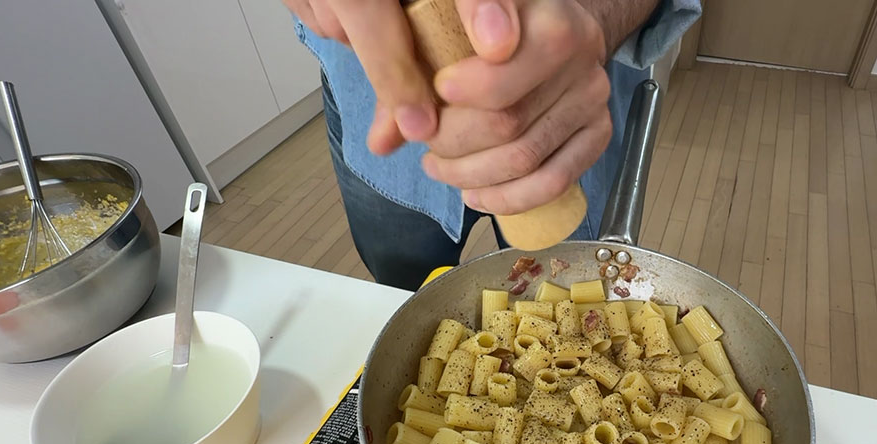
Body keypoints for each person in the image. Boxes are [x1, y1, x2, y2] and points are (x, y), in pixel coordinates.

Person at [283, 0, 700, 290]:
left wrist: (596, 17)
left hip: (563, 113)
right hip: (374, 111)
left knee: (574, 290)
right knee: (403, 288)